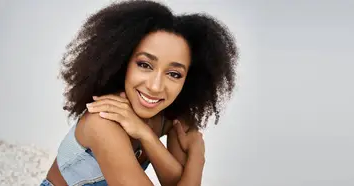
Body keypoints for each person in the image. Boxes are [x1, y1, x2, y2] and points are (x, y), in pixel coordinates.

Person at [41, 0, 238, 185]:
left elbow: (178, 182)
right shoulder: (102, 121)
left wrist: (147, 136)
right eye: (144, 64)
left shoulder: (172, 115)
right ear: (123, 61)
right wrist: (196, 157)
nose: (155, 86)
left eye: (174, 74)